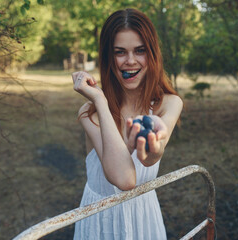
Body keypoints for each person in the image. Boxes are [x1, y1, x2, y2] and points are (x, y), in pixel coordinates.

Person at [72, 8, 183, 240]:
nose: (130, 61)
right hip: (100, 220)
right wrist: (100, 100)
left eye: (140, 51)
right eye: (119, 52)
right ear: (108, 57)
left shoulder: (169, 104)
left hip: (145, 219)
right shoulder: (89, 113)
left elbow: (151, 157)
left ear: (152, 53)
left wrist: (152, 147)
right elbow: (125, 179)